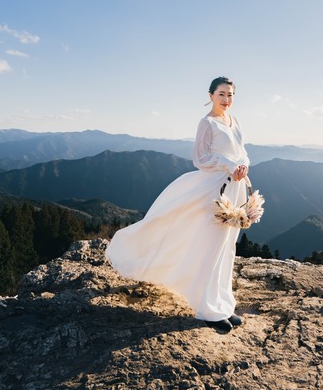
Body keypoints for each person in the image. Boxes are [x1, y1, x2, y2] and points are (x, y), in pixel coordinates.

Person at [105, 76, 251, 333]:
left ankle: (223, 304)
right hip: (214, 189)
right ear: (210, 96)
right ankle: (208, 309)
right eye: (221, 94)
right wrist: (229, 165)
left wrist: (242, 166)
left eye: (230, 94)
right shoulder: (207, 123)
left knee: (227, 247)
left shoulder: (234, 120)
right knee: (212, 246)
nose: (226, 99)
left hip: (235, 187)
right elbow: (200, 159)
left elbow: (242, 152)